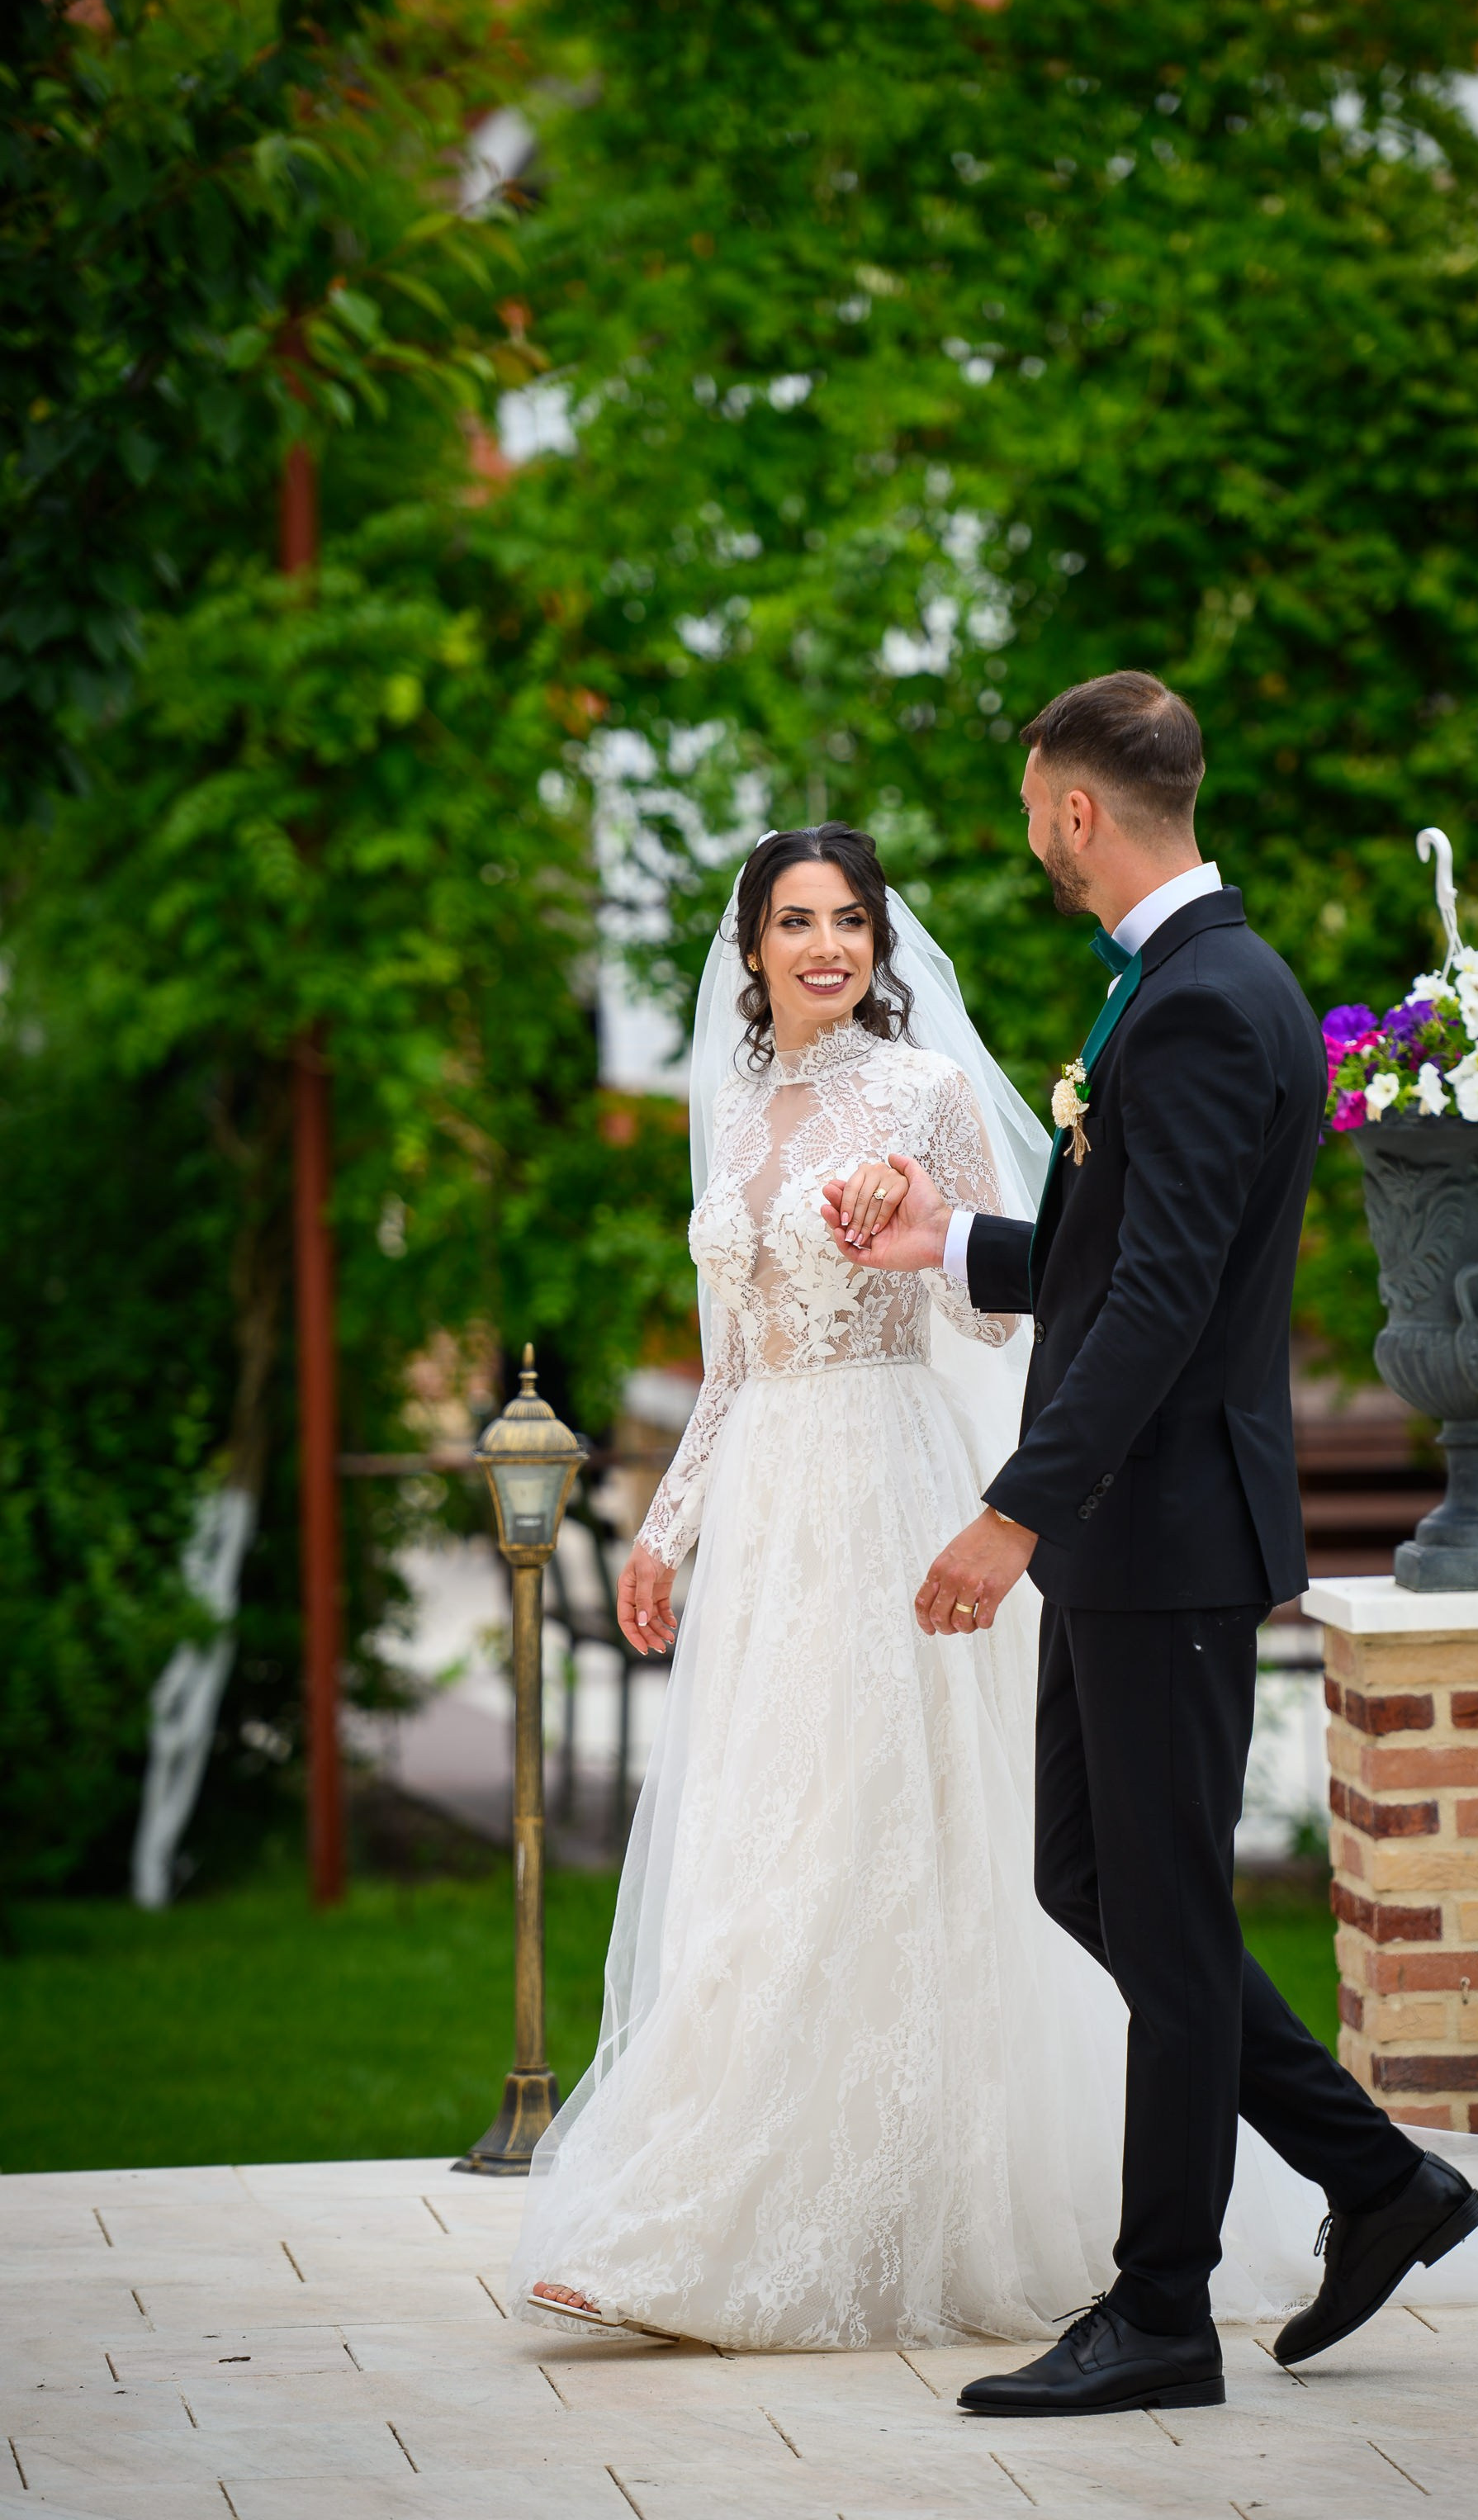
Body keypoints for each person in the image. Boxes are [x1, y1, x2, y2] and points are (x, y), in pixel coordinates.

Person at [819, 669, 1478, 2414]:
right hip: (1142, 1533)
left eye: (1030, 813)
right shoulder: (1197, 985)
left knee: (1163, 1912)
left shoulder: (1198, 1001)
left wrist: (1009, 1505)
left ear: (1069, 808)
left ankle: (1160, 2313)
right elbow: (1117, 1255)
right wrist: (950, 1249)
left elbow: (1166, 1298)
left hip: (1158, 1524)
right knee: (1097, 1881)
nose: (1032, 842)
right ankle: (1375, 2177)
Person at [508, 822, 1135, 2348]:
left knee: (871, 1839)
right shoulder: (730, 1105)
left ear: (878, 942)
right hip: (772, 1511)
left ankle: (789, 2230)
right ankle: (702, 2200)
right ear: (751, 947)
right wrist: (666, 1529)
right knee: (756, 1840)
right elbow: (730, 1363)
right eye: (795, 921)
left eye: (849, 921)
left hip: (887, 1482)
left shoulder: (921, 1095)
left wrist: (919, 1241)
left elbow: (1008, 1322)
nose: (827, 948)